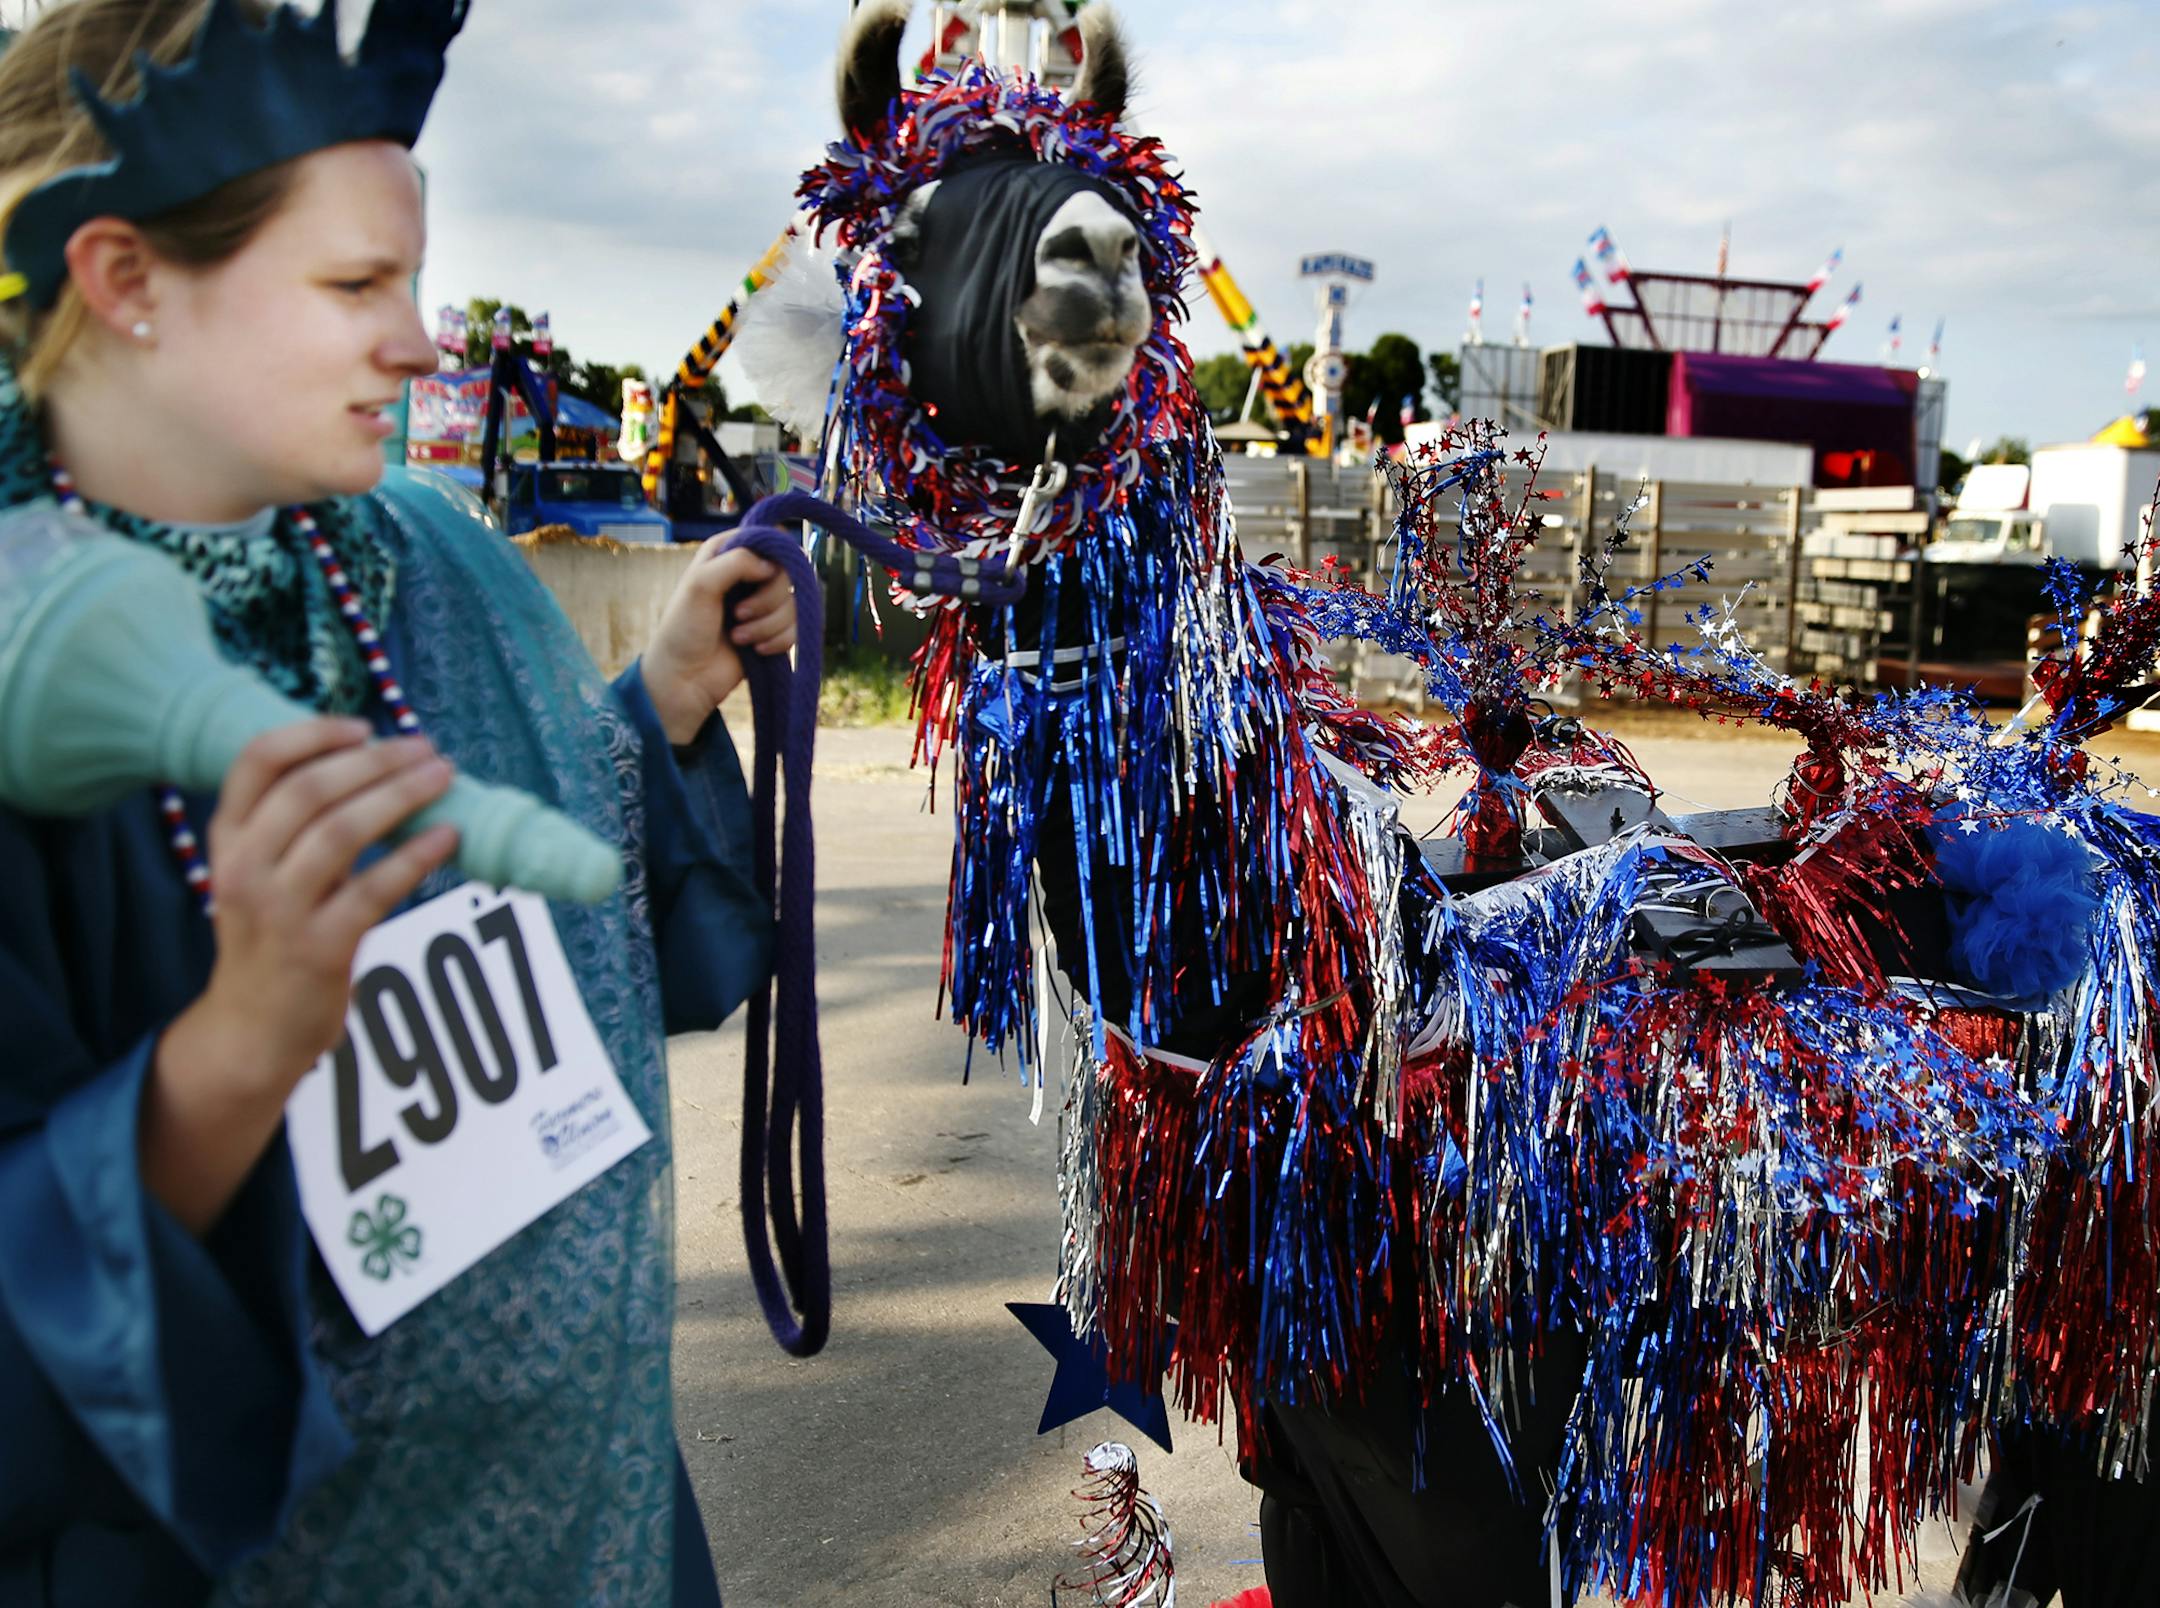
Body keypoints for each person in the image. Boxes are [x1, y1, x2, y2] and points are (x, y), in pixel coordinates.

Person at [0, 1, 794, 1603]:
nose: (425, 343)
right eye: (357, 285)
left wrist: (664, 702)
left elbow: (543, 921)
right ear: (127, 282)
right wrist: (232, 1054)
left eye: (414, 277)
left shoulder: (420, 556)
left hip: (585, 1522)